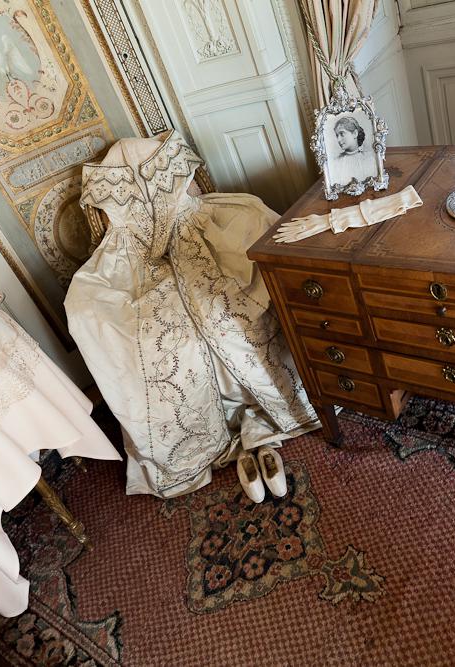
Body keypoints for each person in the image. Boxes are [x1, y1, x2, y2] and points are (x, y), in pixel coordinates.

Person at [65, 131, 318, 499]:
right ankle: (232, 443)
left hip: (194, 232)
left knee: (234, 291)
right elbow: (111, 236)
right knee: (98, 311)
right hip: (134, 259)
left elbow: (195, 197)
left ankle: (260, 426)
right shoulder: (105, 187)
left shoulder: (169, 160)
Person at [330, 115, 376, 186]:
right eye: (337, 135)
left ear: (355, 133)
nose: (338, 140)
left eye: (342, 134)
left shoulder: (369, 158)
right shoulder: (336, 162)